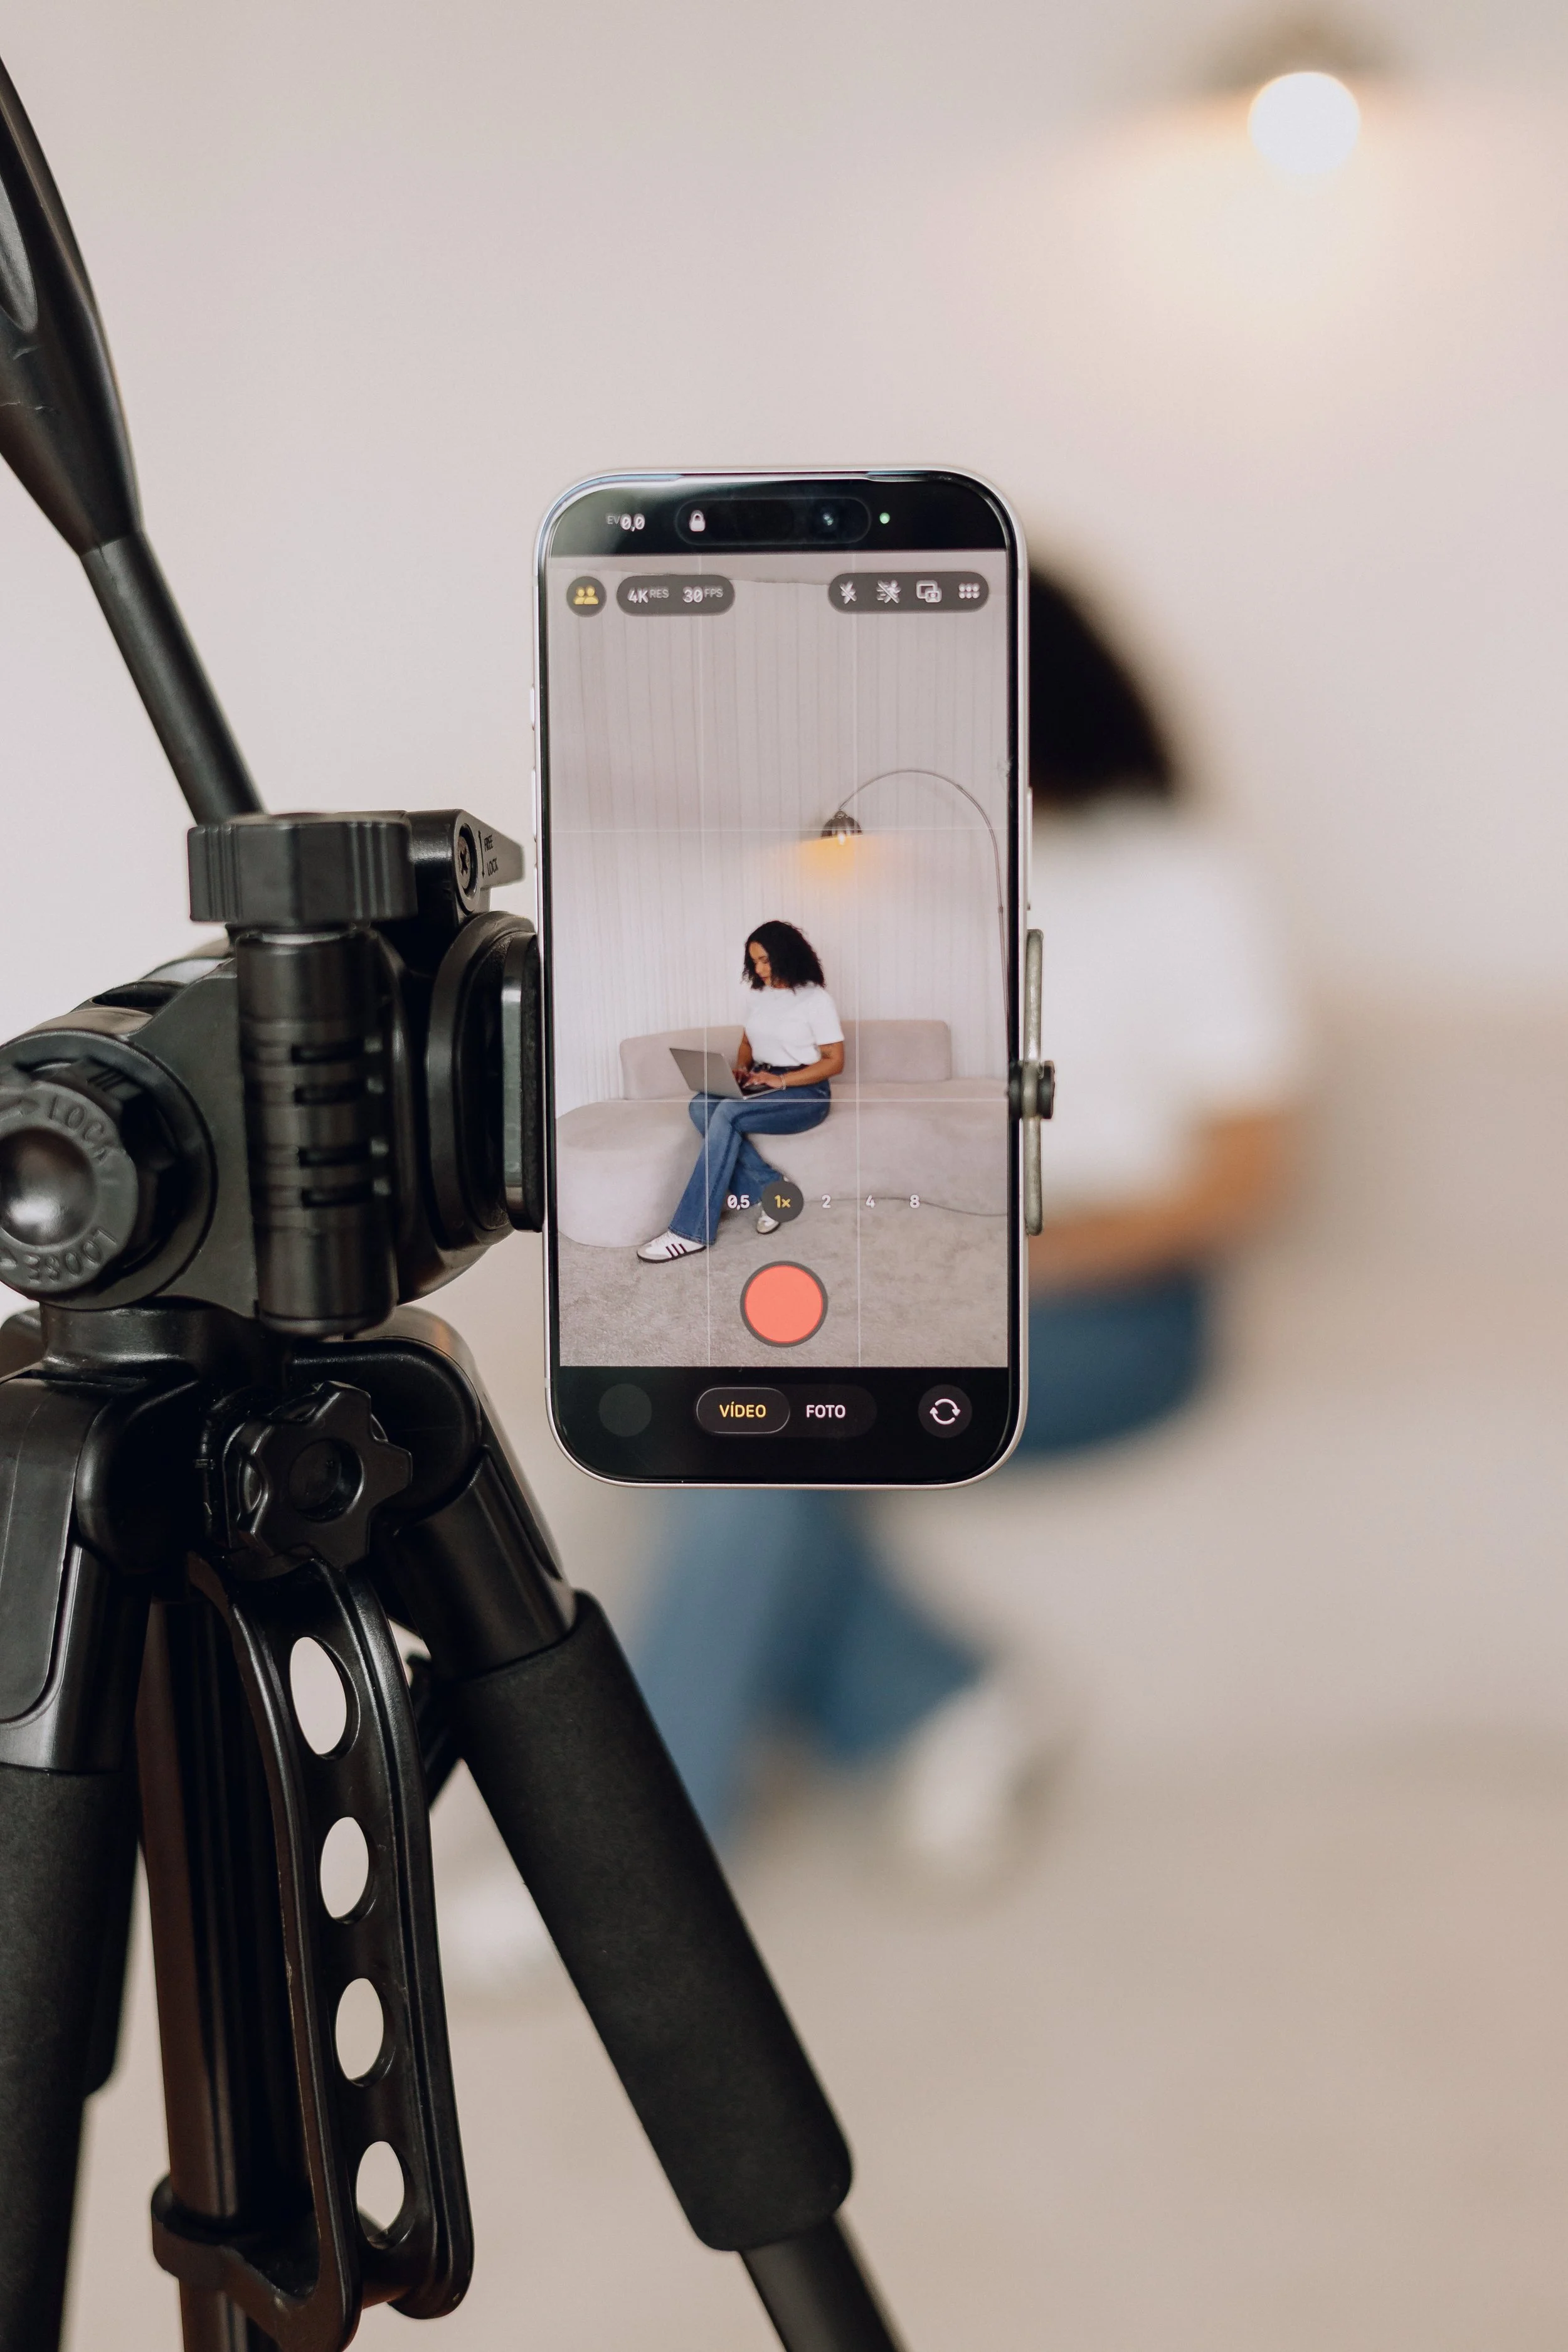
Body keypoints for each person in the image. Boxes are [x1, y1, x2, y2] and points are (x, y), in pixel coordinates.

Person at [440, 568, 1301, 1991]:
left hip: (1120, 1308)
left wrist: (1019, 1252)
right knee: (727, 1396)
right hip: (937, 1261)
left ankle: (636, 1863)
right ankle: (948, 1697)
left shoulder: (1177, 874)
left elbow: (1246, 1171)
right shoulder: (919, 864)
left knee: (764, 1428)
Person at [635, 921, 844, 1262]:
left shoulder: (816, 999)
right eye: (754, 962)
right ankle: (772, 1189)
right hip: (765, 1081)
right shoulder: (757, 996)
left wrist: (784, 1081)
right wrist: (744, 1072)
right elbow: (747, 1041)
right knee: (700, 1106)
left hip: (806, 1093)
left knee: (728, 1114)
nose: (759, 970)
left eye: (765, 961)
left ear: (786, 955)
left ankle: (690, 1231)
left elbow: (835, 1062)